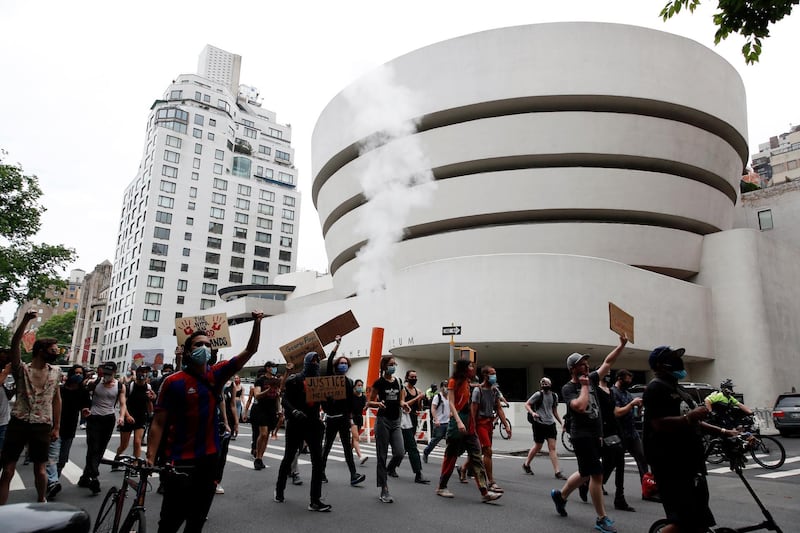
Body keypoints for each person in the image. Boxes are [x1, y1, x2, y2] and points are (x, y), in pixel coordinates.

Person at [146, 310, 264, 532]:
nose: (204, 348)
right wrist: (150, 458)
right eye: (198, 344)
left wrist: (257, 323)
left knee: (197, 520)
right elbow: (158, 422)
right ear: (188, 351)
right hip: (177, 460)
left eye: (208, 345)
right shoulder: (172, 382)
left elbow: (250, 350)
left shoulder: (217, 374)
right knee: (170, 521)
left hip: (208, 460)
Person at [643, 345, 738, 533]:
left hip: (691, 461)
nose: (679, 362)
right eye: (673, 359)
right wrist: (690, 417)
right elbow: (658, 424)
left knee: (700, 518)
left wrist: (723, 432)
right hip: (670, 463)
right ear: (661, 365)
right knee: (683, 520)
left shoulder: (680, 389)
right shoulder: (655, 388)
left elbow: (693, 421)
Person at [550, 335, 627, 533]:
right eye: (580, 364)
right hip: (581, 436)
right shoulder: (569, 388)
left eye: (586, 363)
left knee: (585, 472)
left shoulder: (592, 378)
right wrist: (584, 386)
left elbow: (608, 362)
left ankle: (561, 495)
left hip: (595, 435)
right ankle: (602, 518)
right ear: (572, 369)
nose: (585, 367)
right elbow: (580, 406)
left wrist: (621, 345)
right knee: (596, 474)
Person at [0, 311, 62, 505]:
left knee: (40, 469)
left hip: (42, 425)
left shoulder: (56, 372)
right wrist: (26, 321)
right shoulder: (22, 369)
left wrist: (56, 426)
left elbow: (57, 400)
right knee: (8, 470)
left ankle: (41, 500)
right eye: (54, 350)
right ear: (41, 351)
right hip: (19, 422)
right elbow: (14, 344)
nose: (57, 353)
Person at [434, 359, 501, 503]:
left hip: (469, 423)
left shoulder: (467, 382)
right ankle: (442, 486)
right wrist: (458, 421)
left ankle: (484, 491)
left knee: (476, 455)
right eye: (470, 366)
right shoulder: (453, 381)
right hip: (457, 421)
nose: (472, 368)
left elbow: (472, 389)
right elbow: (451, 403)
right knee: (451, 456)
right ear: (464, 368)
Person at [273, 351, 331, 512]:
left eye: (318, 361)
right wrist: (293, 412)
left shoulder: (320, 383)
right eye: (313, 361)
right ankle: (279, 489)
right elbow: (284, 399)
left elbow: (325, 405)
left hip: (313, 425)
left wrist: (330, 399)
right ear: (306, 363)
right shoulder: (295, 380)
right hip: (296, 424)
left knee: (318, 462)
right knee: (289, 457)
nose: (316, 364)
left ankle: (315, 500)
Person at [320, 335, 366, 485]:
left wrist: (351, 418)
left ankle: (353, 475)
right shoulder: (331, 378)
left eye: (346, 363)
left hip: (344, 418)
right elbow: (328, 363)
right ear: (336, 365)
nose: (344, 365)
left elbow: (350, 403)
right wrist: (337, 345)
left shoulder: (349, 382)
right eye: (341, 363)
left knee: (347, 448)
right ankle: (321, 472)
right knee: (327, 446)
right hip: (332, 418)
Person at [79, 360, 128, 495]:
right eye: (104, 373)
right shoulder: (95, 383)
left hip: (109, 419)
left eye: (109, 373)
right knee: (93, 447)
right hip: (94, 417)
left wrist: (122, 417)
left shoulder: (119, 386)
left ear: (114, 373)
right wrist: (85, 409)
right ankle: (94, 477)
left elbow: (123, 404)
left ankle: (85, 476)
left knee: (100, 449)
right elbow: (82, 393)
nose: (106, 376)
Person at [45, 364, 90, 500]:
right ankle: (53, 482)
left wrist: (85, 411)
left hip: (70, 428)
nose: (78, 375)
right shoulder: (61, 390)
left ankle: (53, 481)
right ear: (70, 374)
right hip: (56, 426)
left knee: (62, 459)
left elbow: (86, 406)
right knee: (53, 456)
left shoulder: (83, 391)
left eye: (80, 373)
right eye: (76, 373)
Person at [367, 355, 408, 503]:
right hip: (382, 421)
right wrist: (377, 404)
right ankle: (384, 488)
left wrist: (404, 404)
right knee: (382, 456)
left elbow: (401, 398)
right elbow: (369, 401)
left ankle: (391, 469)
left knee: (400, 452)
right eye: (391, 364)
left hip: (396, 421)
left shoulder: (398, 381)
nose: (393, 366)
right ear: (384, 366)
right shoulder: (379, 382)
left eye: (395, 364)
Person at [464, 366, 510, 493]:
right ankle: (491, 481)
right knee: (488, 451)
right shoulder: (478, 391)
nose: (494, 376)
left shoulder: (494, 391)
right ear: (485, 375)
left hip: (489, 424)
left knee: (479, 452)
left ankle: (463, 469)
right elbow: (473, 411)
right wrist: (471, 428)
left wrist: (506, 425)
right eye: (492, 374)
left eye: (495, 373)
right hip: (480, 424)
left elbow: (499, 408)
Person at [598, 373, 635, 512]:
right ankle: (589, 483)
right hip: (604, 431)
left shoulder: (611, 392)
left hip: (616, 430)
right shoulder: (596, 391)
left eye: (609, 374)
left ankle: (619, 497)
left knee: (619, 462)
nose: (607, 376)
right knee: (609, 463)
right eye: (605, 373)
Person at [387, 369, 430, 484]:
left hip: (413, 421)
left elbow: (419, 408)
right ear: (407, 378)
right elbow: (402, 404)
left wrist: (420, 400)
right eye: (412, 377)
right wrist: (417, 398)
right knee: (412, 447)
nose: (414, 379)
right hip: (404, 421)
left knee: (404, 448)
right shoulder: (404, 390)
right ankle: (418, 474)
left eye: (415, 377)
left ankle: (391, 467)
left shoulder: (417, 390)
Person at [522, 377, 565, 479]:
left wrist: (561, 423)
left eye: (546, 384)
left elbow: (554, 411)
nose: (545, 385)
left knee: (552, 447)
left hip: (550, 424)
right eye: (543, 384)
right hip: (539, 423)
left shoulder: (554, 396)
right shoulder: (538, 395)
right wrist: (533, 413)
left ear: (550, 384)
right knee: (538, 446)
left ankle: (557, 472)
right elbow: (527, 404)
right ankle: (526, 464)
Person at [611, 369, 649, 484]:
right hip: (619, 433)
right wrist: (631, 404)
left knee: (642, 458)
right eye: (628, 379)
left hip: (632, 432)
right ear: (619, 378)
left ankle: (647, 488)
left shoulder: (627, 393)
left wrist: (639, 406)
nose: (630, 381)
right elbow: (617, 412)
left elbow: (634, 414)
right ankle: (595, 483)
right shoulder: (613, 392)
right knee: (611, 462)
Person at [113, 365, 155, 465]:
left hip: (141, 418)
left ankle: (135, 465)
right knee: (124, 445)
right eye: (141, 371)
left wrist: (151, 401)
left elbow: (149, 406)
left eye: (146, 372)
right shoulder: (129, 386)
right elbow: (123, 404)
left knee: (137, 442)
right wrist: (127, 416)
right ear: (137, 372)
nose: (143, 373)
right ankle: (117, 458)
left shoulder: (148, 387)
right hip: (128, 417)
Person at [250, 361, 281, 470]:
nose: (274, 369)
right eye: (273, 367)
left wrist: (279, 410)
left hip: (271, 410)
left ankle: (260, 458)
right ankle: (257, 457)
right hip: (261, 409)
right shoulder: (260, 380)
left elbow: (277, 396)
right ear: (267, 368)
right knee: (263, 434)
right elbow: (257, 395)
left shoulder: (276, 380)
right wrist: (268, 390)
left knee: (267, 435)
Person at [422, 381, 449, 463]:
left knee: (450, 441)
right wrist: (436, 419)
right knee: (436, 439)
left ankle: (448, 459)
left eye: (448, 386)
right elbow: (433, 408)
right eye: (445, 386)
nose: (447, 388)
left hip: (448, 422)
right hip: (439, 422)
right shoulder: (438, 397)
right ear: (441, 387)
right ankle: (426, 452)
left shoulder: (450, 397)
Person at [350, 378, 368, 465]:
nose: (360, 387)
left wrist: (367, 406)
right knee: (356, 438)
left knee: (354, 440)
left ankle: (348, 453)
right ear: (354, 386)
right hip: (351, 418)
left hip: (359, 418)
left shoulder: (364, 397)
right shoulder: (351, 396)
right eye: (358, 385)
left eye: (361, 385)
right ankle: (360, 456)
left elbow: (365, 407)